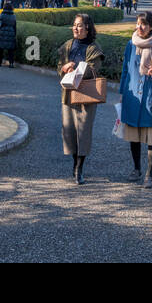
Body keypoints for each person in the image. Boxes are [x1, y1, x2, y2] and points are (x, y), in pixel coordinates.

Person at [120, 11, 152, 188]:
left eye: (143, 24)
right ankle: (136, 169)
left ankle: (150, 174)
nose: (139, 27)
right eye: (138, 23)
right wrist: (123, 92)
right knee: (133, 135)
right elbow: (125, 70)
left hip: (151, 97)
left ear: (151, 26)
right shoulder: (130, 44)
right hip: (133, 96)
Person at [58, 14, 105, 184]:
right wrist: (64, 68)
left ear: (87, 28)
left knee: (83, 132)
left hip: (86, 95)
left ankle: (80, 168)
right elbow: (59, 67)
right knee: (69, 132)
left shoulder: (94, 48)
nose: (75, 28)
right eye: (74, 25)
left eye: (79, 25)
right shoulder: (68, 46)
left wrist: (76, 68)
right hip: (69, 94)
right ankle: (74, 164)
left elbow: (94, 69)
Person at [0, 1, 19, 67]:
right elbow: (14, 25)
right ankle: (11, 63)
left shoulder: (2, 15)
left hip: (2, 32)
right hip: (11, 32)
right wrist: (14, 34)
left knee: (1, 49)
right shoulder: (13, 16)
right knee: (10, 50)